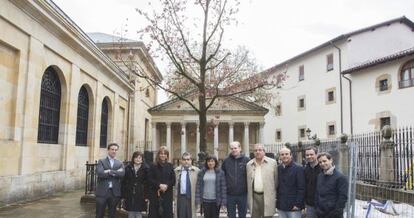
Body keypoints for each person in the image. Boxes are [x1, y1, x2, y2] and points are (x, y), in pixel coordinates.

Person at [246, 144, 278, 218]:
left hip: (267, 196)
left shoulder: (272, 163)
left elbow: (276, 180)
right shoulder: (249, 164)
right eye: (255, 150)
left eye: (260, 150)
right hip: (254, 197)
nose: (258, 152)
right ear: (253, 152)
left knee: (268, 216)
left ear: (264, 151)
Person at [314, 152, 348, 218]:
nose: (322, 164)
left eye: (324, 161)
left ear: (331, 160)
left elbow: (342, 198)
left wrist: (335, 213)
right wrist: (317, 208)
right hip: (320, 213)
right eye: (320, 162)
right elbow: (317, 193)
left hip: (333, 215)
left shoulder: (340, 177)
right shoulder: (320, 176)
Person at [96, 143, 125, 218]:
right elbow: (100, 174)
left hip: (114, 193)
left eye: (115, 150)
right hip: (102, 192)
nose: (114, 151)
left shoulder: (120, 163)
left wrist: (109, 171)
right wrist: (116, 172)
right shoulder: (101, 161)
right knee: (99, 214)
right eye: (112, 149)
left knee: (112, 214)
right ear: (108, 150)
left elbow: (122, 174)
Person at [221, 141, 249, 218]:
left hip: (243, 194)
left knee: (243, 215)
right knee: (231, 215)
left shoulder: (247, 160)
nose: (233, 150)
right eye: (232, 148)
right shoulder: (226, 161)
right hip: (230, 195)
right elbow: (222, 175)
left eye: (235, 148)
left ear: (240, 148)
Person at [276, 147, 305, 218]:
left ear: (291, 155)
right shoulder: (278, 168)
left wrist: (298, 204)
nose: (284, 156)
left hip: (294, 206)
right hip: (281, 205)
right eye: (282, 154)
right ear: (279, 156)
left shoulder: (299, 168)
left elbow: (302, 188)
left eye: (286, 154)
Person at [148, 146, 176, 218]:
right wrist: (159, 185)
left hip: (167, 195)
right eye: (161, 153)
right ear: (158, 155)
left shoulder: (170, 166)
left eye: (165, 154)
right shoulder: (153, 166)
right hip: (155, 194)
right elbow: (150, 179)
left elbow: (173, 180)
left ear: (167, 155)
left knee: (166, 214)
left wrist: (166, 185)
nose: (163, 155)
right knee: (155, 214)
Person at [121, 151, 149, 218]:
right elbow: (124, 182)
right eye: (136, 157)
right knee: (131, 212)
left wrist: (147, 196)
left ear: (142, 159)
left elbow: (148, 183)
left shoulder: (146, 169)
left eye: (139, 158)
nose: (137, 159)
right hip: (130, 193)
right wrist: (123, 195)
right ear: (133, 158)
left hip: (141, 193)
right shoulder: (128, 168)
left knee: (139, 212)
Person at [174, 152, 200, 218]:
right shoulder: (176, 171)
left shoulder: (197, 171)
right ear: (181, 161)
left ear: (191, 160)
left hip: (192, 198)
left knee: (191, 215)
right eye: (184, 159)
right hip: (181, 197)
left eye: (188, 159)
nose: (186, 161)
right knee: (181, 215)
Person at [304, 146, 322, 218]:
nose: (309, 156)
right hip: (310, 204)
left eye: (311, 154)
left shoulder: (323, 168)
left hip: (322, 204)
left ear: (316, 154)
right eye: (307, 155)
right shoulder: (305, 169)